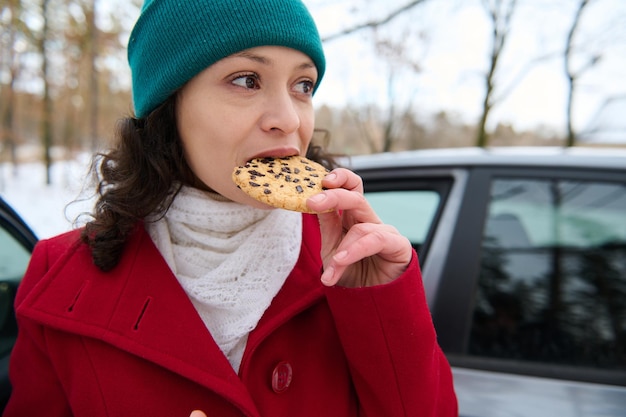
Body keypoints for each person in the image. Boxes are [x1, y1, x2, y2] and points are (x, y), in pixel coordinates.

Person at [4, 0, 458, 416]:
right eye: (247, 80)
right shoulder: (59, 275)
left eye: (303, 85)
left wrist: (379, 306)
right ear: (169, 105)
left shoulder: (349, 267)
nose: (289, 118)